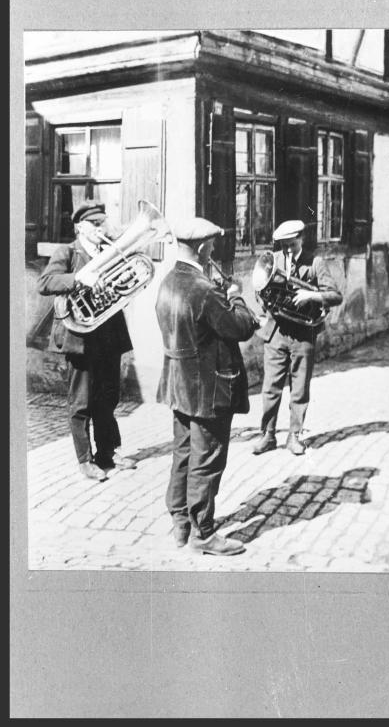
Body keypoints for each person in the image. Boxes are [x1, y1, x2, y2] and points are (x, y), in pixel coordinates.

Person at [155, 218, 259, 555]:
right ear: (201, 247)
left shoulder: (169, 280)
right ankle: (203, 534)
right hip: (208, 389)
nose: (214, 248)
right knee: (208, 459)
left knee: (183, 453)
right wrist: (237, 299)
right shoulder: (205, 290)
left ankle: (181, 522)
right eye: (212, 243)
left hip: (179, 384)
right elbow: (240, 328)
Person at [37, 200, 137, 481]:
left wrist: (124, 279)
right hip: (80, 337)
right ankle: (85, 459)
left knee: (108, 396)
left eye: (101, 222)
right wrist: (81, 279)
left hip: (108, 335)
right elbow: (45, 283)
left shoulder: (110, 251)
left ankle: (108, 452)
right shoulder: (68, 252)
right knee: (81, 401)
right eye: (94, 224)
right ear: (80, 226)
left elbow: (122, 288)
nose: (99, 228)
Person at [252, 220, 343, 456]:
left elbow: (335, 296)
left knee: (299, 388)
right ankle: (268, 435)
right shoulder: (273, 259)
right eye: (284, 246)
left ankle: (294, 435)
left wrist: (311, 296)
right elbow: (259, 288)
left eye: (292, 245)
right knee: (270, 387)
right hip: (276, 332)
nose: (288, 251)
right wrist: (264, 299)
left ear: (301, 239)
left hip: (303, 335)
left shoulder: (315, 263)